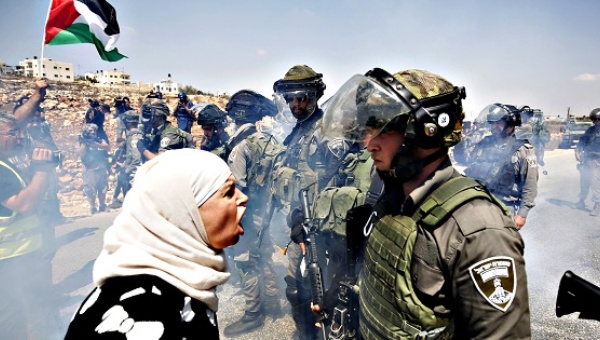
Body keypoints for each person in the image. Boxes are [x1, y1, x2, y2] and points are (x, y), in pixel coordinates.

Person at [322, 68, 530, 339]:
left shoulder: (479, 230)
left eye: (381, 129)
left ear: (426, 131)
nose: (368, 144)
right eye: (367, 130)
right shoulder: (391, 198)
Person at [64, 149, 248, 340]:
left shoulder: (178, 282)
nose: (243, 198)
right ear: (184, 212)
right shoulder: (143, 311)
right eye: (228, 192)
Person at [271, 64, 330, 340]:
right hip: (300, 225)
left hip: (321, 231)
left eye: (302, 97)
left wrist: (312, 228)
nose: (295, 103)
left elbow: (333, 184)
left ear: (315, 95)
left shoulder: (326, 132)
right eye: (290, 98)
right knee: (295, 289)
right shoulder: (298, 132)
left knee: (322, 294)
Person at [221, 90, 283, 336]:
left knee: (246, 262)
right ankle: (273, 303)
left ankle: (253, 314)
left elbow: (237, 187)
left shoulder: (240, 146)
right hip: (267, 213)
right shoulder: (270, 141)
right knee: (265, 255)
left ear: (237, 114)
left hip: (246, 213)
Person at [0, 110, 62, 339]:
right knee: (17, 320)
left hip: (20, 257)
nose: (20, 138)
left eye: (20, 132)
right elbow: (24, 204)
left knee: (31, 313)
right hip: (10, 261)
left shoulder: (5, 164)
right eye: (12, 133)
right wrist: (42, 169)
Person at [465, 103, 539, 229]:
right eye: (493, 123)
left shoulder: (522, 150)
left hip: (503, 208)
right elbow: (470, 170)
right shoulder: (483, 144)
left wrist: (522, 214)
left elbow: (529, 184)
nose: (494, 127)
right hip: (477, 204)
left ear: (511, 125)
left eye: (499, 123)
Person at [136, 98, 197, 162]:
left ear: (159, 116)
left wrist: (143, 150)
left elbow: (160, 162)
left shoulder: (169, 134)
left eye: (149, 115)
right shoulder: (156, 130)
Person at [77, 123, 110, 214]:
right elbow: (80, 153)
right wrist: (85, 142)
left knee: (102, 188)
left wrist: (94, 143)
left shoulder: (99, 140)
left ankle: (102, 205)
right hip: (89, 169)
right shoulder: (82, 141)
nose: (93, 132)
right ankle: (92, 207)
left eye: (94, 131)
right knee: (90, 189)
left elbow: (107, 147)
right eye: (91, 131)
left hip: (100, 167)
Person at [575, 108, 600, 216]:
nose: (596, 122)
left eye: (598, 120)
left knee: (595, 183)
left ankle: (597, 205)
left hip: (597, 161)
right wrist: (577, 150)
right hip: (587, 159)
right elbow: (582, 140)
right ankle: (581, 201)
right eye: (594, 120)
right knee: (584, 181)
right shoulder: (590, 130)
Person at [121, 110, 144, 189]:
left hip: (135, 174)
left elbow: (137, 159)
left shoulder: (135, 136)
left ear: (128, 122)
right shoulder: (133, 135)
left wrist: (127, 170)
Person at [108, 137, 127, 209]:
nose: (123, 144)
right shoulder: (117, 151)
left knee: (125, 185)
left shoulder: (126, 150)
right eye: (122, 142)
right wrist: (117, 164)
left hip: (125, 170)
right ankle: (115, 198)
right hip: (119, 170)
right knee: (118, 185)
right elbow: (113, 160)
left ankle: (126, 199)